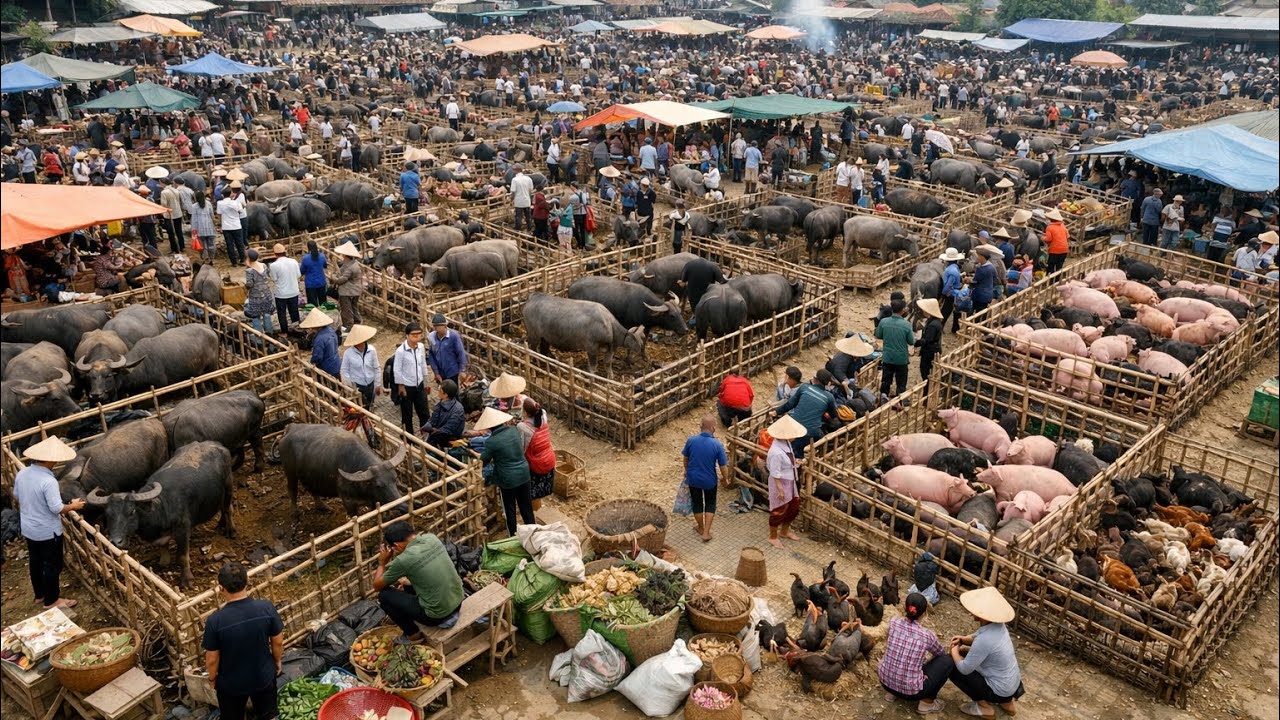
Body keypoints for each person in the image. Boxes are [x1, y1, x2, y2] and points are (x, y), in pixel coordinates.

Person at [203, 563, 283, 720]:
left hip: (231, 684)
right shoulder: (266, 608)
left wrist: (212, 679)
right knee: (268, 715)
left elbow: (212, 659)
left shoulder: (215, 621)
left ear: (220, 588)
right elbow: (278, 641)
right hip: (263, 676)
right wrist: (277, 661)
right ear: (248, 581)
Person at [15, 437, 86, 610]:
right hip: (47, 531)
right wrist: (73, 506)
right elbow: (56, 508)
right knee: (52, 564)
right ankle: (52, 600)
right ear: (50, 460)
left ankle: (39, 595)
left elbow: (17, 495)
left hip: (29, 528)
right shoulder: (49, 481)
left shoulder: (22, 473)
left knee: (35, 561)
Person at [373, 521, 464, 644]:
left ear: (396, 545)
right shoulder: (432, 538)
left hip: (437, 616)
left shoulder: (404, 560)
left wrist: (382, 563)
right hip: (458, 601)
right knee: (408, 581)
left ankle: (413, 634)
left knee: (384, 595)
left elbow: (377, 586)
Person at [948, 587, 1025, 717]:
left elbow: (964, 669)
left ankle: (984, 707)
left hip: (998, 689)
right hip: (1012, 685)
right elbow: (977, 636)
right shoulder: (999, 626)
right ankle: (1007, 703)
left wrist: (953, 651)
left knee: (952, 666)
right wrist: (963, 639)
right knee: (967, 653)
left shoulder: (984, 640)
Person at [879, 592, 952, 715]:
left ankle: (891, 694)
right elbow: (940, 653)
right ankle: (926, 704)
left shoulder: (893, 622)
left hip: (885, 682)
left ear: (904, 608)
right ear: (924, 614)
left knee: (900, 656)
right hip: (911, 693)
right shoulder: (926, 635)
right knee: (947, 661)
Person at [477, 406, 535, 534]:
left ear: (489, 427)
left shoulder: (491, 442)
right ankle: (534, 533)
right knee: (526, 507)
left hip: (508, 480)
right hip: (524, 474)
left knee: (510, 510)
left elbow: (483, 461)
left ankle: (513, 535)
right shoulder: (514, 430)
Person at [681, 414, 729, 542]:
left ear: (700, 426)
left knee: (697, 504)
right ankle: (706, 533)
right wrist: (726, 478)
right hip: (709, 481)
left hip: (693, 479)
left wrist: (686, 470)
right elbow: (723, 465)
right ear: (714, 428)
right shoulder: (717, 445)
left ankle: (700, 527)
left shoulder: (691, 440)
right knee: (710, 504)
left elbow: (685, 459)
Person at [773, 369, 838, 459]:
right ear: (828, 384)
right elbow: (834, 415)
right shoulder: (829, 397)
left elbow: (790, 404)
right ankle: (819, 454)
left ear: (815, 379)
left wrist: (776, 412)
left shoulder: (805, 387)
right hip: (811, 432)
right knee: (821, 435)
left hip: (793, 426)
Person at [764, 414, 804, 549]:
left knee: (793, 507)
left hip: (790, 481)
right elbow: (775, 472)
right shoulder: (776, 452)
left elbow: (786, 463)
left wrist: (796, 463)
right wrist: (780, 489)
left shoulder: (786, 445)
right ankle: (772, 536)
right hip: (781, 483)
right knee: (778, 510)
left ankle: (785, 531)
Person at [518, 397, 556, 512]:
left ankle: (534, 513)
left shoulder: (523, 427)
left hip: (537, 465)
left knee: (532, 493)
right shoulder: (543, 415)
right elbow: (539, 412)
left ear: (525, 412)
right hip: (549, 459)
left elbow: (522, 449)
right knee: (540, 492)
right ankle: (538, 509)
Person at [875, 297, 915, 403]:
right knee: (901, 380)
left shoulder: (883, 322)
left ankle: (883, 396)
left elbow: (878, 335)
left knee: (886, 378)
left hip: (888, 356)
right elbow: (911, 341)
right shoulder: (906, 325)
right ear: (902, 310)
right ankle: (900, 398)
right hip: (901, 358)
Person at [393, 322, 430, 434]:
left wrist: (426, 381)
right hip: (407, 386)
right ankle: (408, 438)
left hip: (419, 384)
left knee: (424, 412)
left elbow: (423, 364)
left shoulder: (421, 347)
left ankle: (426, 437)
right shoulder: (400, 351)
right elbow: (397, 369)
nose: (417, 337)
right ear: (407, 336)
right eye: (414, 335)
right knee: (407, 414)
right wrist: (401, 386)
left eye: (419, 334)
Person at [341, 324, 381, 408]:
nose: (359, 344)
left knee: (370, 404)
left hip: (370, 384)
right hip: (358, 385)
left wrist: (377, 384)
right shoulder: (348, 353)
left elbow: (376, 368)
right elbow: (344, 370)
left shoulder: (372, 350)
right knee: (360, 407)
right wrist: (350, 385)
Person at [421, 379, 466, 449]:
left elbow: (448, 430)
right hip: (435, 439)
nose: (438, 392)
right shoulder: (440, 404)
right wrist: (427, 426)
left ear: (446, 394)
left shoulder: (458, 410)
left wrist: (432, 430)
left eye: (440, 391)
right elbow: (432, 420)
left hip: (448, 443)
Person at [269, 244, 302, 334]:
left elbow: (274, 279)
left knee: (282, 314)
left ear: (275, 254)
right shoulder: (294, 261)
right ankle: (297, 329)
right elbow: (298, 275)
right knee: (294, 311)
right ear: (285, 252)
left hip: (281, 293)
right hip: (293, 291)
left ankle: (284, 332)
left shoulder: (273, 265)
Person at [426, 314, 467, 385]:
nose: (435, 328)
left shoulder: (454, 336)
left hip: (453, 371)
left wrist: (462, 370)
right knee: (443, 393)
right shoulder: (432, 337)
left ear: (445, 325)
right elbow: (431, 355)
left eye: (437, 326)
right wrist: (436, 372)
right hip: (441, 373)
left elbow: (461, 353)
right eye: (434, 326)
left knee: (453, 392)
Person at [331, 240, 363, 329]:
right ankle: (357, 322)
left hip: (347, 292)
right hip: (356, 290)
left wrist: (333, 276)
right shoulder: (354, 263)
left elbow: (341, 280)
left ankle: (349, 326)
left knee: (346, 310)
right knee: (354, 308)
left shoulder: (350, 268)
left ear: (345, 255)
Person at [915, 298, 944, 392]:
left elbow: (927, 340)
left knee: (925, 371)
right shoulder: (936, 321)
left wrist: (916, 342)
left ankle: (926, 392)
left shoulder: (932, 325)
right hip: (934, 349)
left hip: (929, 351)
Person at [301, 308, 340, 377]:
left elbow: (317, 357)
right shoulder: (331, 331)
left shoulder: (319, 339)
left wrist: (312, 363)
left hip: (326, 369)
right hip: (336, 364)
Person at [218, 182, 247, 265]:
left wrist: (221, 225)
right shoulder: (236, 203)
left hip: (226, 227)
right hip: (236, 226)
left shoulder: (219, 203)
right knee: (240, 244)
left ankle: (233, 262)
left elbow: (219, 215)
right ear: (231, 194)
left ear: (223, 195)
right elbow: (241, 212)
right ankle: (242, 260)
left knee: (229, 245)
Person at [299, 240, 328, 308]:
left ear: (308, 247)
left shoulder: (305, 258)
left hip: (310, 284)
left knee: (312, 306)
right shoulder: (322, 256)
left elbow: (302, 271)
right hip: (321, 282)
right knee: (323, 304)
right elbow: (325, 266)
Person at [1043, 208, 1069, 274]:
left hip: (1055, 250)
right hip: (1064, 249)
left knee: (1050, 266)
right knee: (1059, 267)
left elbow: (1048, 239)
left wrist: (1043, 238)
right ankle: (1057, 280)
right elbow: (1068, 236)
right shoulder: (1063, 226)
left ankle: (1050, 281)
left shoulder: (1049, 227)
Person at [971, 252, 997, 316]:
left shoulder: (982, 269)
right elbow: (995, 278)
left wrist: (969, 280)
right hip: (988, 293)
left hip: (980, 294)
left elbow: (975, 281)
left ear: (982, 257)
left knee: (977, 313)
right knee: (983, 312)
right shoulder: (992, 267)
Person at [510, 164, 534, 232]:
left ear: (517, 170)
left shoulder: (515, 180)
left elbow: (513, 192)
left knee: (518, 216)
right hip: (527, 200)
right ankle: (529, 228)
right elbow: (530, 190)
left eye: (514, 169)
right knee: (528, 216)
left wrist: (511, 199)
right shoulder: (528, 179)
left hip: (519, 201)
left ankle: (518, 229)